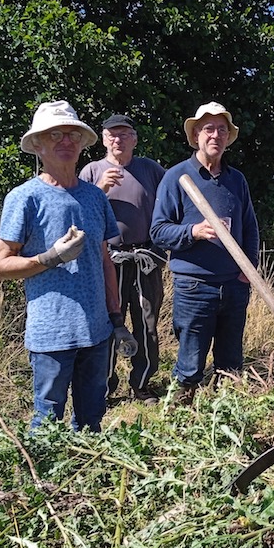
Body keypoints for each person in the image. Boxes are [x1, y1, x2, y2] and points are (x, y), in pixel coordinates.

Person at [0, 100, 136, 432]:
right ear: (38, 145)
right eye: (55, 134)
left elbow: (104, 261)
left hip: (97, 332)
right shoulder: (24, 198)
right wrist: (50, 257)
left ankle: (83, 478)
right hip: (51, 335)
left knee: (92, 419)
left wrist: (115, 318)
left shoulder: (95, 197)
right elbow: (0, 266)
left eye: (72, 134)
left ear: (83, 143)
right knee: (47, 423)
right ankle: (41, 480)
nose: (65, 141)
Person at [150, 101, 260, 405]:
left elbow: (250, 227)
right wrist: (193, 232)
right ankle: (180, 420)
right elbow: (158, 231)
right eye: (209, 129)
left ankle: (224, 418)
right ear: (196, 134)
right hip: (193, 287)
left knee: (231, 365)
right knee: (190, 365)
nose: (216, 135)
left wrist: (248, 268)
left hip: (235, 285)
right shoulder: (177, 177)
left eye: (222, 130)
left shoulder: (235, 179)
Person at [79, 114, 166, 405]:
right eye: (112, 134)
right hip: (108, 261)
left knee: (147, 322)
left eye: (124, 134)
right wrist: (99, 190)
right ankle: (103, 388)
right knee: (106, 324)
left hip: (145, 258)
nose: (118, 139)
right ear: (103, 139)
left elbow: (171, 202)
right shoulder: (91, 172)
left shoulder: (150, 169)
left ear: (135, 139)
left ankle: (142, 383)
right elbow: (77, 214)